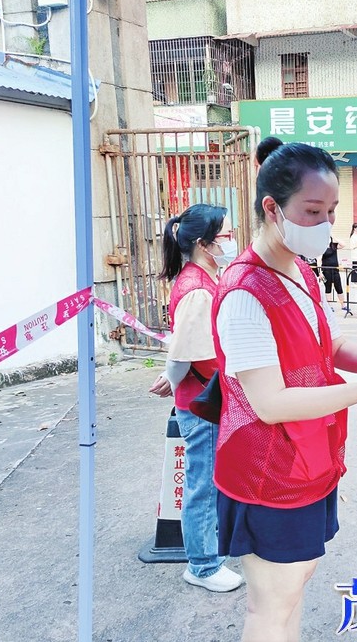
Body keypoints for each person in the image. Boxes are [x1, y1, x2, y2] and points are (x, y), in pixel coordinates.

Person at [212, 138, 357, 642]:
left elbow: (332, 344)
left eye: (332, 210)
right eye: (312, 210)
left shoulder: (301, 271)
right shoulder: (244, 293)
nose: (326, 223)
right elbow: (270, 403)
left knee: (296, 583)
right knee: (271, 605)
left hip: (310, 458)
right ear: (272, 209)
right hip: (268, 470)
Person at [148, 203, 244, 593]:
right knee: (202, 484)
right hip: (204, 402)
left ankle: (210, 549)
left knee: (211, 480)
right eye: (226, 235)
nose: (232, 241)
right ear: (204, 244)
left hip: (208, 397)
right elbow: (187, 353)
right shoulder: (197, 290)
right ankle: (202, 565)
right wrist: (172, 378)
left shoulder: (204, 279)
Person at [320, 238, 350, 315]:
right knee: (328, 288)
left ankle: (343, 305)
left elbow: (343, 245)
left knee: (339, 287)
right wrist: (320, 272)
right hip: (326, 270)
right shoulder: (322, 247)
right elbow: (319, 259)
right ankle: (330, 306)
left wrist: (334, 237)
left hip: (335, 269)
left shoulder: (334, 245)